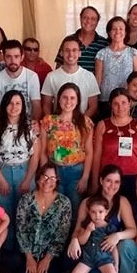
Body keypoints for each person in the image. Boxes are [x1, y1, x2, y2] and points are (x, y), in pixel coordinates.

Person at [65, 165, 137, 273]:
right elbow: (78, 228)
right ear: (101, 180)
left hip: (106, 254)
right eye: (109, 181)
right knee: (73, 252)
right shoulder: (87, 202)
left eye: (116, 182)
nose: (112, 186)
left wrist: (117, 236)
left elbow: (133, 230)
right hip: (88, 251)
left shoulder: (122, 202)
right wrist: (74, 240)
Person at [0, 90, 40, 260]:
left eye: (18, 103)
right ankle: (8, 255)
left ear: (23, 106)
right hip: (2, 172)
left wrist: (28, 179)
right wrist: (1, 179)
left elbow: (35, 156)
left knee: (25, 215)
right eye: (10, 103)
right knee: (4, 215)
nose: (14, 107)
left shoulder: (30, 127)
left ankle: (25, 254)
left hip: (25, 172)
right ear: (4, 105)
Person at [15, 163, 72, 273]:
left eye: (52, 178)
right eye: (45, 177)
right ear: (38, 178)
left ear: (57, 180)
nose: (48, 181)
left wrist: (47, 260)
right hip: (28, 253)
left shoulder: (64, 202)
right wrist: (29, 258)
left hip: (50, 255)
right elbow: (21, 229)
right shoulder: (26, 199)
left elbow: (62, 234)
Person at [40, 83, 93, 214]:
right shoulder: (48, 121)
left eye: (72, 98)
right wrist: (45, 175)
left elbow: (89, 152)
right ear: (58, 99)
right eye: (65, 97)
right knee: (55, 209)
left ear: (78, 101)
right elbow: (43, 151)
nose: (68, 101)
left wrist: (85, 178)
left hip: (76, 172)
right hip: (54, 171)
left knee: (74, 209)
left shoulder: (85, 122)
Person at [92, 88, 137, 202]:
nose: (120, 107)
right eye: (116, 104)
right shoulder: (103, 125)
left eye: (123, 103)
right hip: (109, 178)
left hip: (133, 177)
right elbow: (97, 155)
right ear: (111, 106)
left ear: (129, 104)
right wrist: (94, 182)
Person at [71, 195, 118, 273]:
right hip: (88, 258)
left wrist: (116, 264)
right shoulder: (86, 225)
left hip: (104, 258)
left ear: (106, 212)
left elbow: (114, 248)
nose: (97, 215)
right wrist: (88, 231)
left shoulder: (109, 228)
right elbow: (81, 241)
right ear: (89, 212)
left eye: (100, 212)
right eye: (93, 212)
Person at [41, 36, 100, 119]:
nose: (71, 54)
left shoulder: (89, 76)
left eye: (74, 50)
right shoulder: (51, 76)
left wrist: (81, 122)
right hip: (58, 123)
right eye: (67, 50)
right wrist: (53, 122)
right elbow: (46, 105)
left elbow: (93, 106)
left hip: (81, 123)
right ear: (61, 53)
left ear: (80, 53)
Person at [94, 16, 137, 119]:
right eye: (114, 29)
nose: (117, 32)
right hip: (106, 101)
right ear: (109, 32)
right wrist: (95, 102)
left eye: (121, 29)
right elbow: (98, 80)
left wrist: (134, 100)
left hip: (126, 102)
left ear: (126, 31)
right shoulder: (101, 54)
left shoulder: (133, 53)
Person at [0, 39, 42, 121]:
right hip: (6, 123)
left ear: (22, 57)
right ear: (3, 57)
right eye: (8, 57)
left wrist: (35, 122)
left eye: (16, 56)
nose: (13, 61)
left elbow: (36, 105)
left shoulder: (32, 76)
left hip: (27, 122)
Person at [54, 6, 108, 73]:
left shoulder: (104, 44)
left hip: (94, 80)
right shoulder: (68, 41)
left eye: (93, 19)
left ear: (97, 22)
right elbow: (59, 68)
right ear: (80, 18)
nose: (88, 21)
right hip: (70, 80)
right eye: (85, 17)